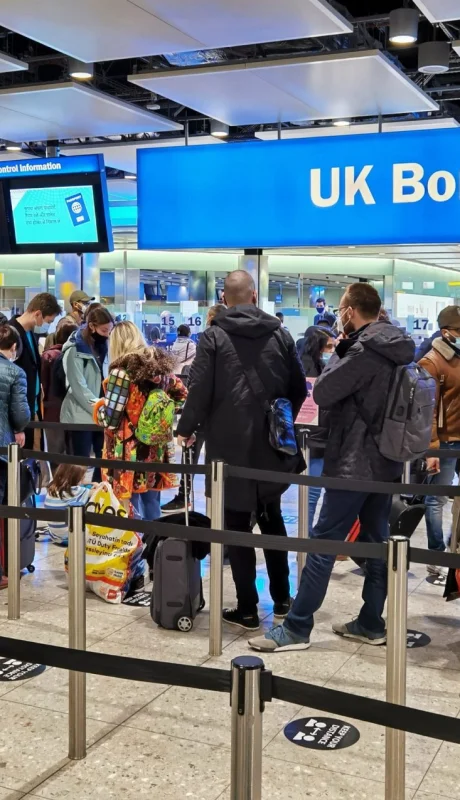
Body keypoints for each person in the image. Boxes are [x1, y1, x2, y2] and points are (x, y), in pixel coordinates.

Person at [249, 282, 415, 652]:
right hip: (384, 461)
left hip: (353, 463)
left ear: (351, 311)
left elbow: (322, 391)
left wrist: (341, 350)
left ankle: (296, 628)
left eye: (342, 308)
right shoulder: (397, 345)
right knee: (375, 543)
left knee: (323, 543)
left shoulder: (363, 350)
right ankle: (371, 622)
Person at [177, 269, 307, 630]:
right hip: (270, 447)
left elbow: (199, 390)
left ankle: (247, 609)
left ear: (223, 298)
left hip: (227, 448)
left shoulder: (213, 336)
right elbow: (298, 389)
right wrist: (278, 421)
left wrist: (185, 430)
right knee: (272, 519)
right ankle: (283, 600)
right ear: (253, 296)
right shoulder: (280, 334)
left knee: (235, 527)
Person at [95, 321, 187, 519]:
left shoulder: (120, 373)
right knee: (152, 500)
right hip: (156, 446)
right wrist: (160, 418)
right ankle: (153, 546)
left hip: (128, 451)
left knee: (130, 505)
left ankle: (136, 548)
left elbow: (111, 419)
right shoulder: (161, 370)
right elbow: (182, 395)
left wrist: (97, 410)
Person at [418, 306, 460, 582]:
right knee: (437, 500)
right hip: (444, 442)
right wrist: (431, 446)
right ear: (447, 332)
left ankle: (452, 545)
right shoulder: (431, 362)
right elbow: (427, 409)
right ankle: (435, 557)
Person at [60, 306, 114, 481]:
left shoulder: (105, 345)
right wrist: (98, 405)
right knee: (79, 464)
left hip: (102, 414)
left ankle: (99, 500)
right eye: (104, 330)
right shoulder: (75, 348)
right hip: (80, 415)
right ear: (92, 326)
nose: (107, 334)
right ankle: (75, 502)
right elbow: (78, 386)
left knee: (103, 460)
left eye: (110, 330)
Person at [10, 293, 61, 449]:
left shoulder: (30, 333)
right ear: (38, 313)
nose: (47, 325)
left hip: (33, 407)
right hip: (19, 411)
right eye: (47, 321)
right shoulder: (10, 334)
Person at [296, 326, 335, 531]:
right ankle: (307, 534)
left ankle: (308, 532)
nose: (331, 350)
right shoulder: (312, 369)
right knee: (312, 492)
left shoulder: (306, 364)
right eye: (328, 346)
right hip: (315, 437)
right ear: (318, 346)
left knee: (312, 491)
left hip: (313, 436)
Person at [41, 322, 78, 460]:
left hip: (52, 410)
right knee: (71, 452)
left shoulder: (48, 355)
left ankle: (57, 481)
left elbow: (43, 385)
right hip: (71, 410)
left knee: (54, 452)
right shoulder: (75, 355)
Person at [44, 464, 91, 546]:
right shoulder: (76, 490)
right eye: (82, 477)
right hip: (72, 537)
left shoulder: (52, 489)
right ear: (76, 478)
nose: (84, 479)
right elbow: (97, 491)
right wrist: (98, 485)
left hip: (55, 536)